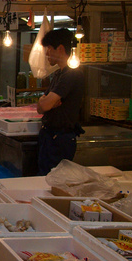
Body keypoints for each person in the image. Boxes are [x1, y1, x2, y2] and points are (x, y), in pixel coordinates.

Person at [35, 28, 84, 175]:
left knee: (53, 180)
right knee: (44, 178)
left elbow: (45, 105)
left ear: (60, 49)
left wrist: (46, 102)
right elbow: (40, 107)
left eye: (49, 49)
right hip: (49, 136)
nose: (47, 54)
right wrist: (45, 101)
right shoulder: (58, 74)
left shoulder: (72, 74)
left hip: (60, 139)